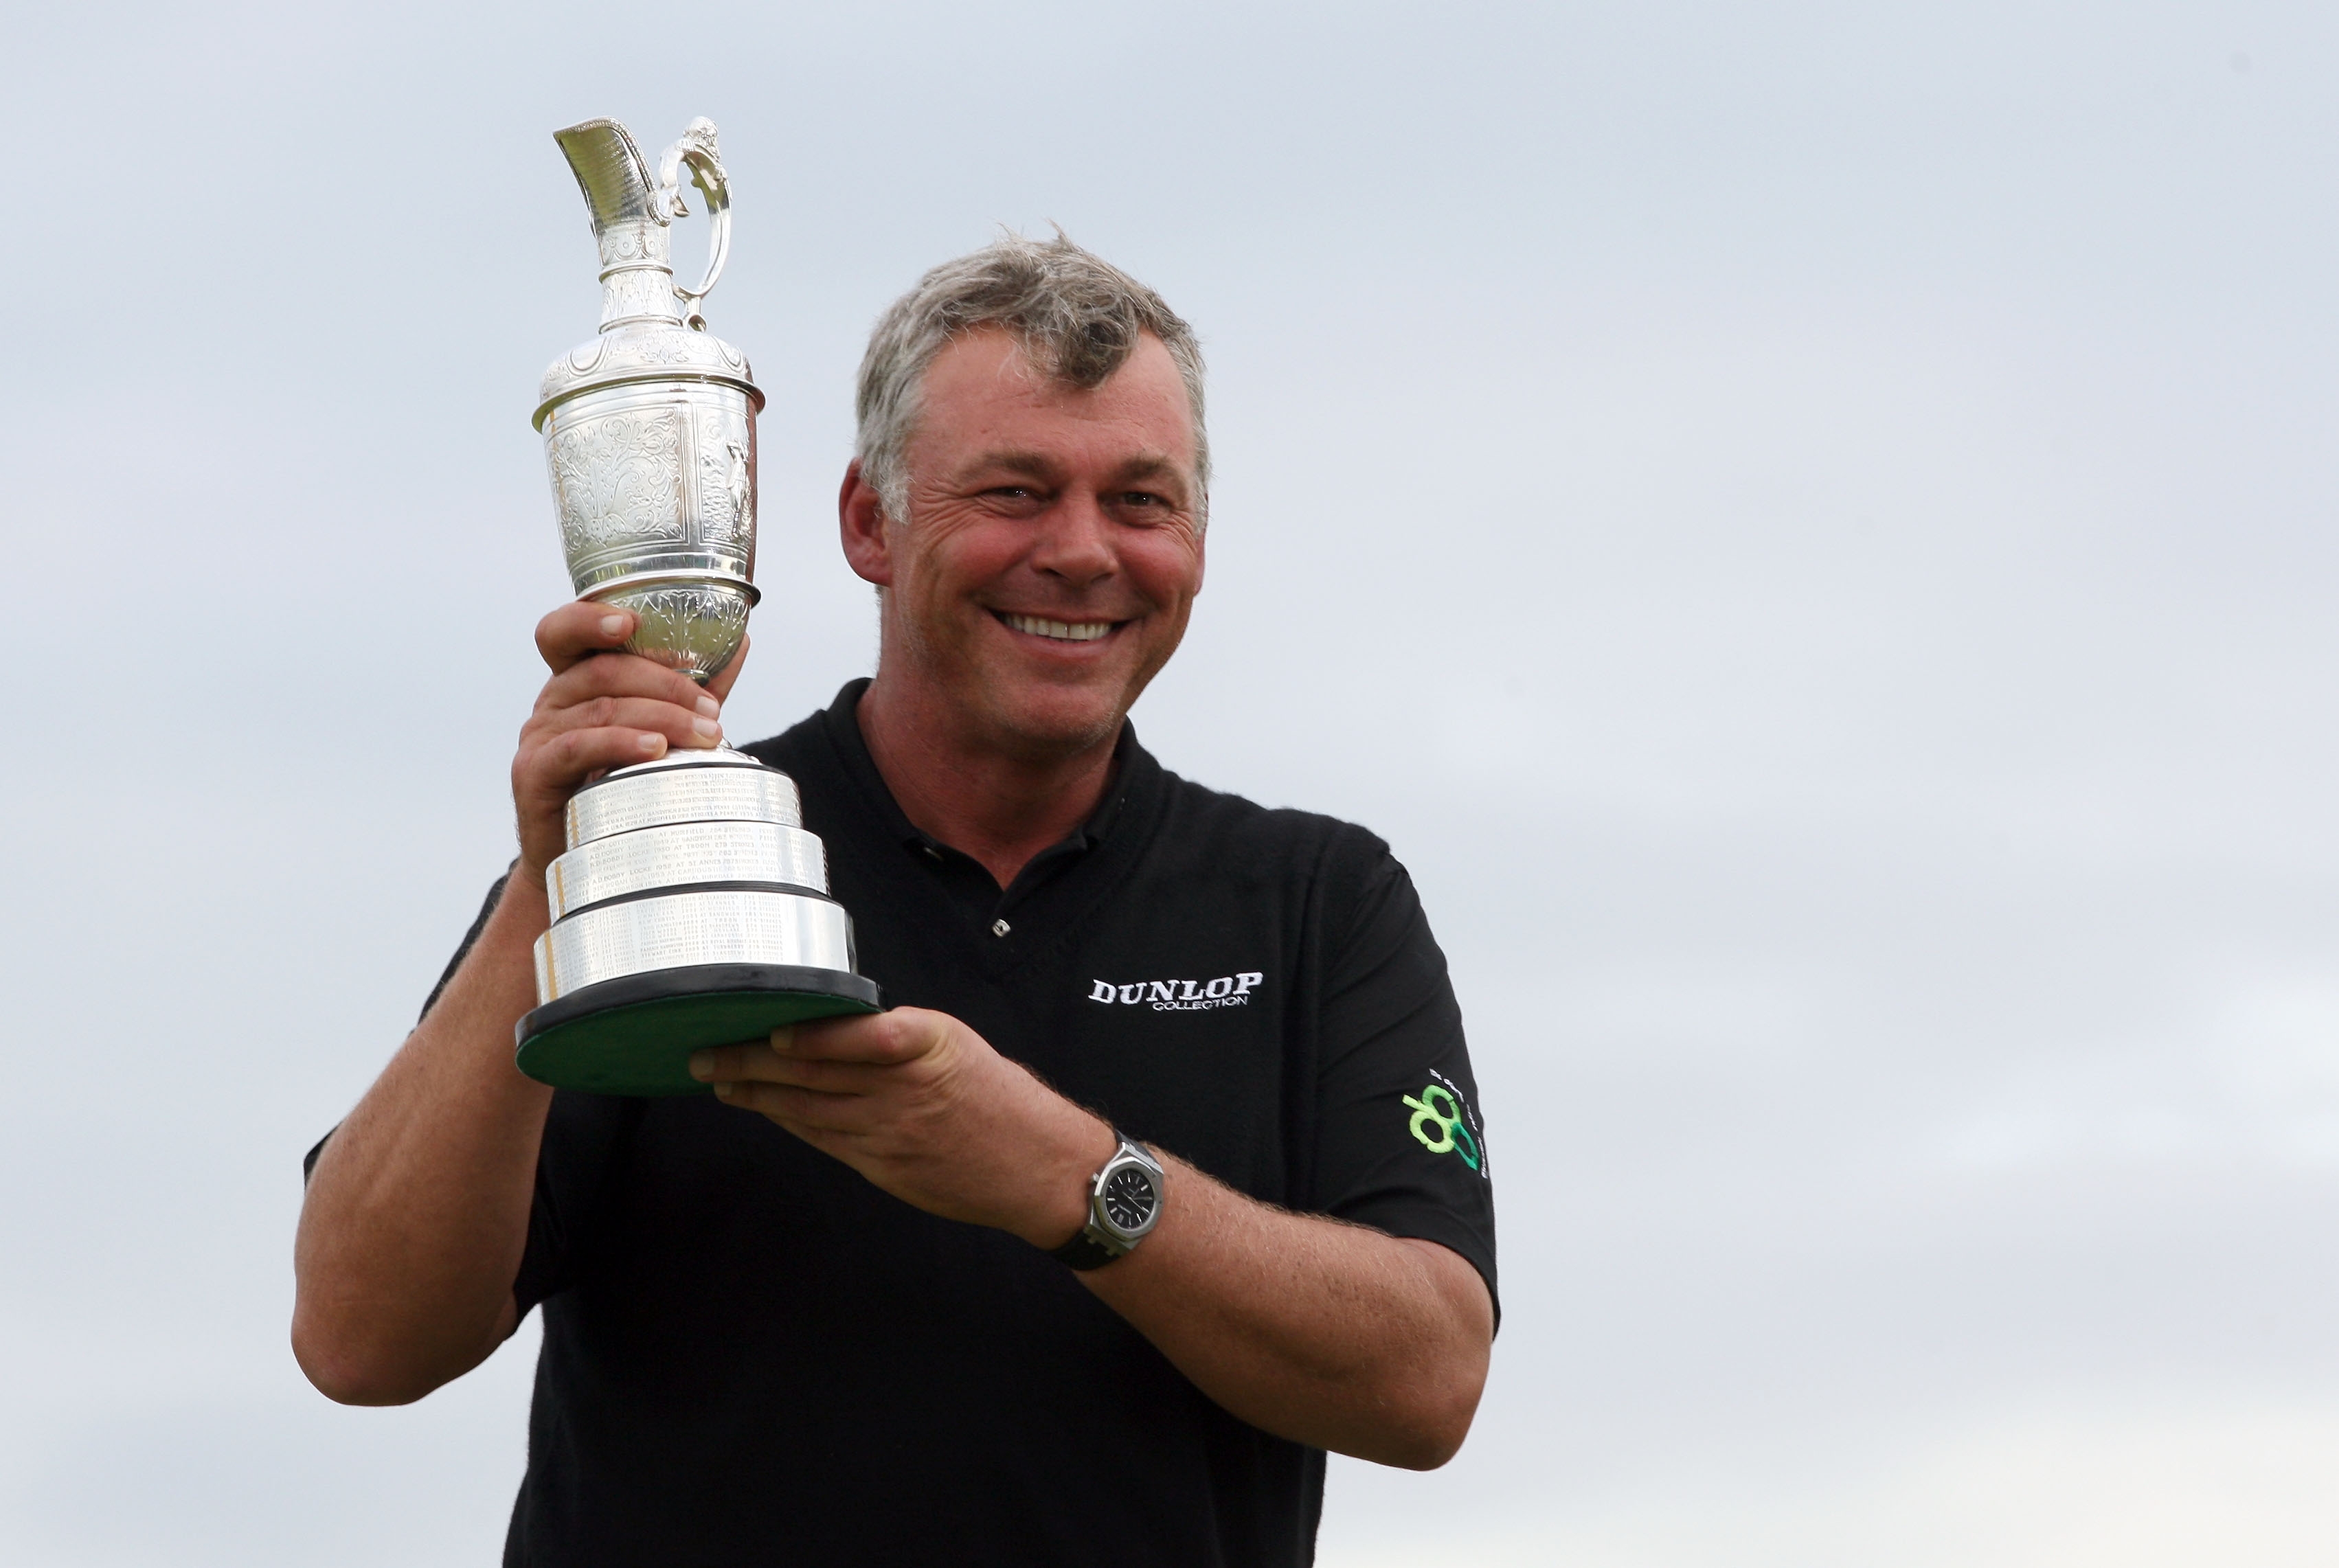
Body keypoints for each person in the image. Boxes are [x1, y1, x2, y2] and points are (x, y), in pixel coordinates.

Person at [293, 234, 1497, 1567]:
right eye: (1016, 490)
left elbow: (1427, 1374)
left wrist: (1064, 1175)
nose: (1084, 550)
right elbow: (357, 1334)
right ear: (869, 521)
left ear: (1198, 540)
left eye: (1141, 500)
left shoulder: (1314, 903)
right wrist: (550, 873)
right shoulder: (679, 851)